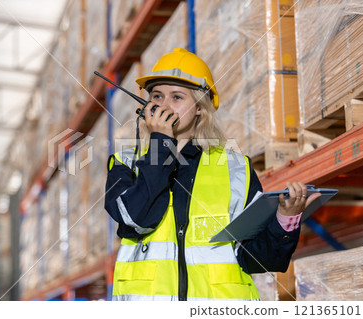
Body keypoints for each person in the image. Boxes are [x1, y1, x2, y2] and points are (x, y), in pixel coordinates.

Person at [104, 48, 320, 301]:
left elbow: (257, 261)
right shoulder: (125, 164)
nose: (164, 106)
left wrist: (286, 219)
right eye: (157, 96)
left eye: (176, 97)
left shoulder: (235, 168)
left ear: (199, 107)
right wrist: (161, 145)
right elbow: (137, 220)